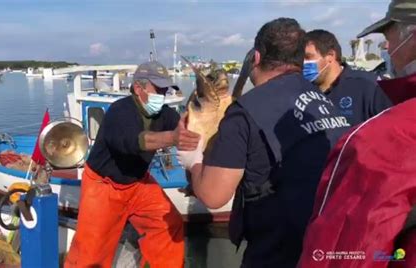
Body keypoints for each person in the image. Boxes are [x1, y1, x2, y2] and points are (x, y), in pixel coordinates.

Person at [177, 18, 351, 267]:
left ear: (256, 58)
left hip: (278, 251)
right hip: (328, 242)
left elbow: (214, 195)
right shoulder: (322, 101)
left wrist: (193, 161)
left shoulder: (246, 111)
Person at [298, 0, 416, 267]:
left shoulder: (374, 137)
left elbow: (342, 254)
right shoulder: (305, 94)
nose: (386, 47)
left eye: (389, 36)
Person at [64, 61, 201, 267]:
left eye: (165, 90)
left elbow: (187, 125)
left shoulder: (164, 113)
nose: (162, 95)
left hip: (138, 182)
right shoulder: (120, 112)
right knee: (91, 253)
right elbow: (131, 142)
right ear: (138, 88)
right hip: (104, 185)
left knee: (169, 225)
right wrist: (172, 137)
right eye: (158, 89)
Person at [303, 29, 393, 126]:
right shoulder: (303, 92)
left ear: (330, 56)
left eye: (308, 57)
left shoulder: (369, 87)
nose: (302, 63)